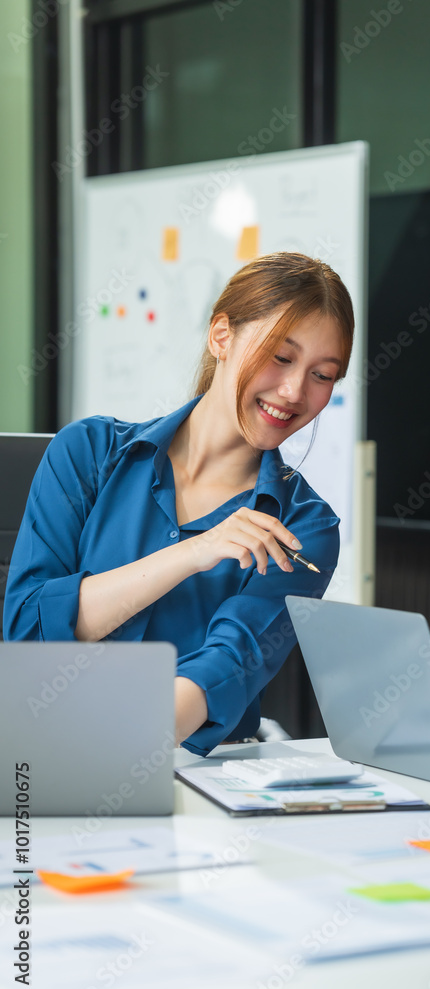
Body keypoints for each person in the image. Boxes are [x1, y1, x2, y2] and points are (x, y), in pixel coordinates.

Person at [4, 251, 354, 756]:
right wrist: (192, 553)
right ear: (221, 336)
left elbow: (226, 666)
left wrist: (102, 760)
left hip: (187, 774)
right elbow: (30, 629)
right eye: (281, 356)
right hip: (45, 755)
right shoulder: (87, 454)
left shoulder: (305, 528)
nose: (295, 390)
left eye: (323, 374)